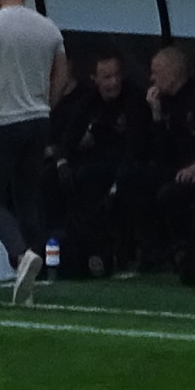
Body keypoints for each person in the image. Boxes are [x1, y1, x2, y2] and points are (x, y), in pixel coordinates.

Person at [0, 0, 65, 304]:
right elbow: (61, 76)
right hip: (37, 121)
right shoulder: (49, 28)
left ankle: (21, 254)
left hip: (3, 120)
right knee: (27, 197)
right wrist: (45, 105)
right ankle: (30, 285)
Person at [125, 41, 195, 272]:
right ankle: (152, 251)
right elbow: (161, 151)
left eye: (156, 71)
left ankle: (184, 251)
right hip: (173, 169)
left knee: (170, 194)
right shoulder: (163, 104)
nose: (152, 78)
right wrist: (156, 116)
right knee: (131, 177)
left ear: (173, 71)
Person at [46, 48, 144, 279]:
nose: (113, 83)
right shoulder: (89, 100)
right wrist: (61, 163)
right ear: (95, 79)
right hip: (94, 163)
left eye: (116, 76)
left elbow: (135, 148)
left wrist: (115, 186)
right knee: (49, 177)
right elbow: (69, 138)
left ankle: (106, 252)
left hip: (123, 165)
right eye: (106, 77)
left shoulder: (134, 100)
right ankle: (52, 244)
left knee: (89, 179)